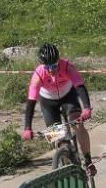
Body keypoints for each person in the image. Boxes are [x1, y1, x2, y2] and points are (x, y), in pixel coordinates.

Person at [21, 43, 97, 175]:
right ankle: (66, 159)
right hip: (48, 102)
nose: (51, 70)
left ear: (59, 61)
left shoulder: (67, 67)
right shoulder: (38, 74)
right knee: (56, 137)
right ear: (42, 65)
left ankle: (88, 161)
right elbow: (31, 102)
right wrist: (27, 127)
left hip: (68, 97)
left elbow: (79, 86)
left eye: (54, 66)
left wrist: (86, 108)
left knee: (78, 125)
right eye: (47, 67)